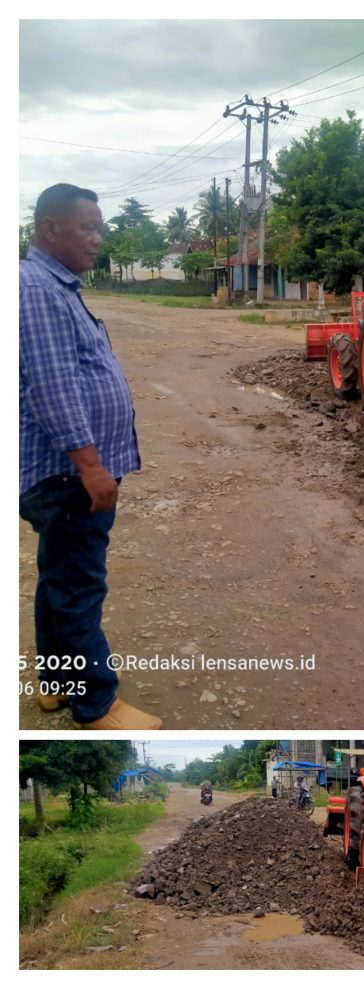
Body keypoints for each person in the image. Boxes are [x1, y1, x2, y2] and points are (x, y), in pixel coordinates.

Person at [19, 183, 160, 730]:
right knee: (78, 584)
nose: (98, 239)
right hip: (65, 474)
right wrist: (92, 468)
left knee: (58, 577)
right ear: (51, 229)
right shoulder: (37, 287)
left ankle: (56, 685)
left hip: (62, 473)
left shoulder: (52, 284)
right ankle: (96, 704)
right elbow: (52, 387)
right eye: (89, 228)